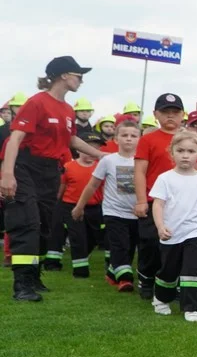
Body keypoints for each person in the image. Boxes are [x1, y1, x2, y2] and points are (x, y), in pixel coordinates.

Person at [2, 56, 104, 301]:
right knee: (27, 222)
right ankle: (22, 285)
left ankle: (34, 276)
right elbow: (15, 138)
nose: (81, 80)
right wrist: (7, 174)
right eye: (78, 75)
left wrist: (103, 155)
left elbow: (72, 140)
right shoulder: (37, 103)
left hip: (49, 170)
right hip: (25, 166)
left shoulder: (68, 109)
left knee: (44, 226)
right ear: (63, 76)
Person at [149, 131, 197, 322]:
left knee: (193, 269)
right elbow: (158, 204)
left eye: (190, 151)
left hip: (195, 232)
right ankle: (161, 299)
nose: (185, 155)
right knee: (169, 271)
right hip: (171, 233)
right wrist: (160, 226)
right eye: (180, 150)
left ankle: (192, 308)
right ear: (172, 153)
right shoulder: (165, 178)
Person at [75, 117, 140, 291]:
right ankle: (125, 279)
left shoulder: (142, 161)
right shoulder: (108, 160)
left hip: (136, 212)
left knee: (130, 247)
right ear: (116, 139)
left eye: (133, 135)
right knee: (119, 245)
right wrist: (80, 206)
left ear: (139, 139)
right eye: (124, 135)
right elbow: (93, 185)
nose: (128, 138)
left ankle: (112, 273)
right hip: (114, 211)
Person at [133, 94, 185, 300]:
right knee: (150, 243)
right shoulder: (148, 140)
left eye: (175, 113)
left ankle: (172, 283)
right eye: (165, 113)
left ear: (182, 115)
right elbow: (139, 171)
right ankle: (146, 280)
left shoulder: (188, 139)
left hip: (181, 202)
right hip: (155, 200)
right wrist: (140, 200)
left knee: (178, 244)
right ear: (156, 115)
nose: (170, 116)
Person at [56, 134, 107, 277]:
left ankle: (83, 256)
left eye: (96, 149)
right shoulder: (69, 166)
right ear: (78, 149)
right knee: (77, 237)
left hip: (94, 207)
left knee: (94, 237)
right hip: (71, 206)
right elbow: (62, 186)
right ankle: (80, 270)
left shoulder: (101, 167)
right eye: (89, 148)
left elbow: (104, 188)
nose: (92, 151)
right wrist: (56, 204)